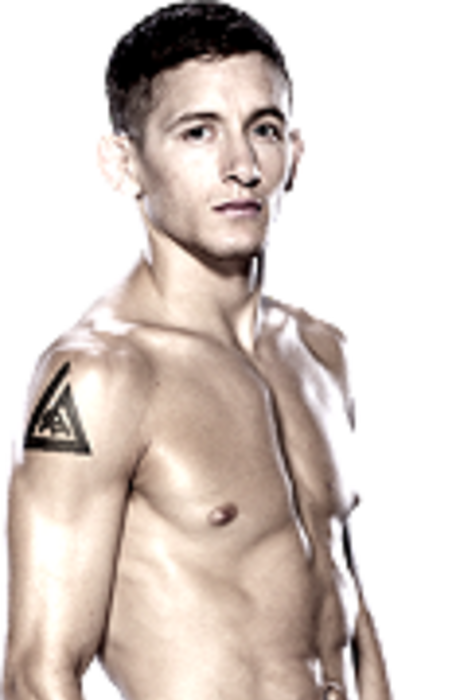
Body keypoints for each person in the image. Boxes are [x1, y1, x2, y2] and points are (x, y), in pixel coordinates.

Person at [3, 2, 391, 699]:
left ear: (296, 154)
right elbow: (39, 673)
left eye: (263, 129)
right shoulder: (101, 375)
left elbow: (348, 612)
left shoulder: (320, 352)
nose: (241, 166)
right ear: (123, 164)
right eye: (198, 132)